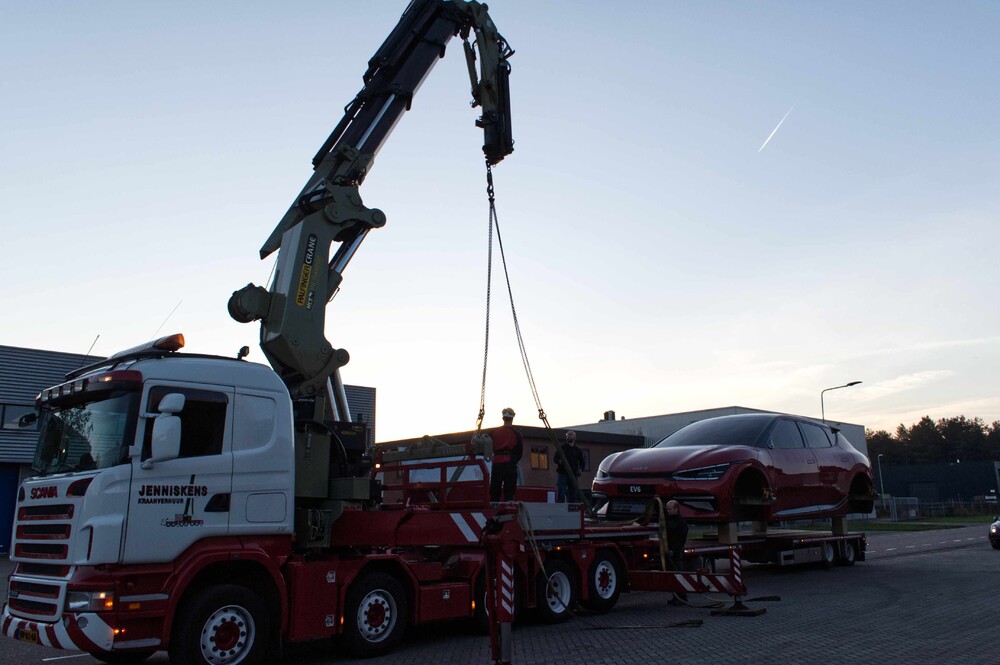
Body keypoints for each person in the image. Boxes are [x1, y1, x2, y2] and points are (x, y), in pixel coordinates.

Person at [490, 407, 524, 502]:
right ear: (512, 419)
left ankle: (494, 505)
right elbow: (519, 451)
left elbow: (489, 445)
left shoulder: (494, 432)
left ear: (503, 418)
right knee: (509, 487)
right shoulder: (517, 434)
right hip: (510, 461)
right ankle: (508, 504)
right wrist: (514, 460)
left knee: (495, 487)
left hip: (496, 461)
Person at [664, 499, 689, 604]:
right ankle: (675, 596)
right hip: (669, 551)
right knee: (672, 575)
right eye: (667, 509)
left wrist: (674, 550)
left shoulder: (680, 522)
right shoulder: (667, 520)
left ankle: (682, 597)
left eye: (670, 509)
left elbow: (681, 538)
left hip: (676, 552)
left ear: (676, 509)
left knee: (678, 573)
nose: (668, 511)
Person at [555, 430, 585, 503]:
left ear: (574, 437)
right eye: (568, 435)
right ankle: (560, 509)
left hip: (573, 474)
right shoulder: (562, 448)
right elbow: (555, 458)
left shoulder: (577, 450)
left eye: (571, 435)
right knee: (561, 492)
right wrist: (560, 461)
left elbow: (582, 462)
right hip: (563, 474)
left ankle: (572, 509)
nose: (569, 436)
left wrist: (580, 469)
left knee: (573, 493)